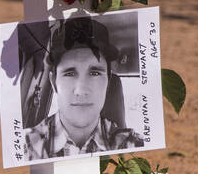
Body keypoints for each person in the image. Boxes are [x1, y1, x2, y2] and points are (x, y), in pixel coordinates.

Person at [24, 16, 144, 160]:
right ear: (54, 83)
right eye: (69, 73)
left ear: (108, 82)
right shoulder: (24, 146)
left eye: (94, 73)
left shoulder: (134, 145)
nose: (81, 91)